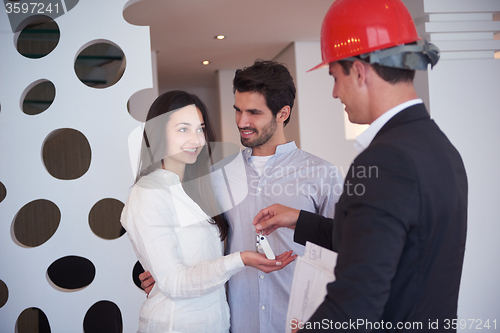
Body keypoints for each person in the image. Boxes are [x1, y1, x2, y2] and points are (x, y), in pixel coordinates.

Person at [253, 0, 468, 332]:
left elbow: (356, 299)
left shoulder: (385, 161)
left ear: (358, 70)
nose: (336, 93)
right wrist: (298, 219)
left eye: (334, 77)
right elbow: (375, 244)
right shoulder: (439, 147)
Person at [140, 61, 344, 332]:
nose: (241, 122)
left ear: (282, 113)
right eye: (237, 110)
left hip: (299, 323)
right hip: (234, 324)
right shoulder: (214, 177)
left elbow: (347, 249)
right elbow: (191, 241)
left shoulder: (322, 175)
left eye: (253, 112)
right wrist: (153, 273)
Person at [120, 90, 295, 333]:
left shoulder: (197, 188)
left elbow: (195, 261)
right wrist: (241, 259)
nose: (196, 140)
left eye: (200, 129)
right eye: (183, 129)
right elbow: (174, 283)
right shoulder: (149, 192)